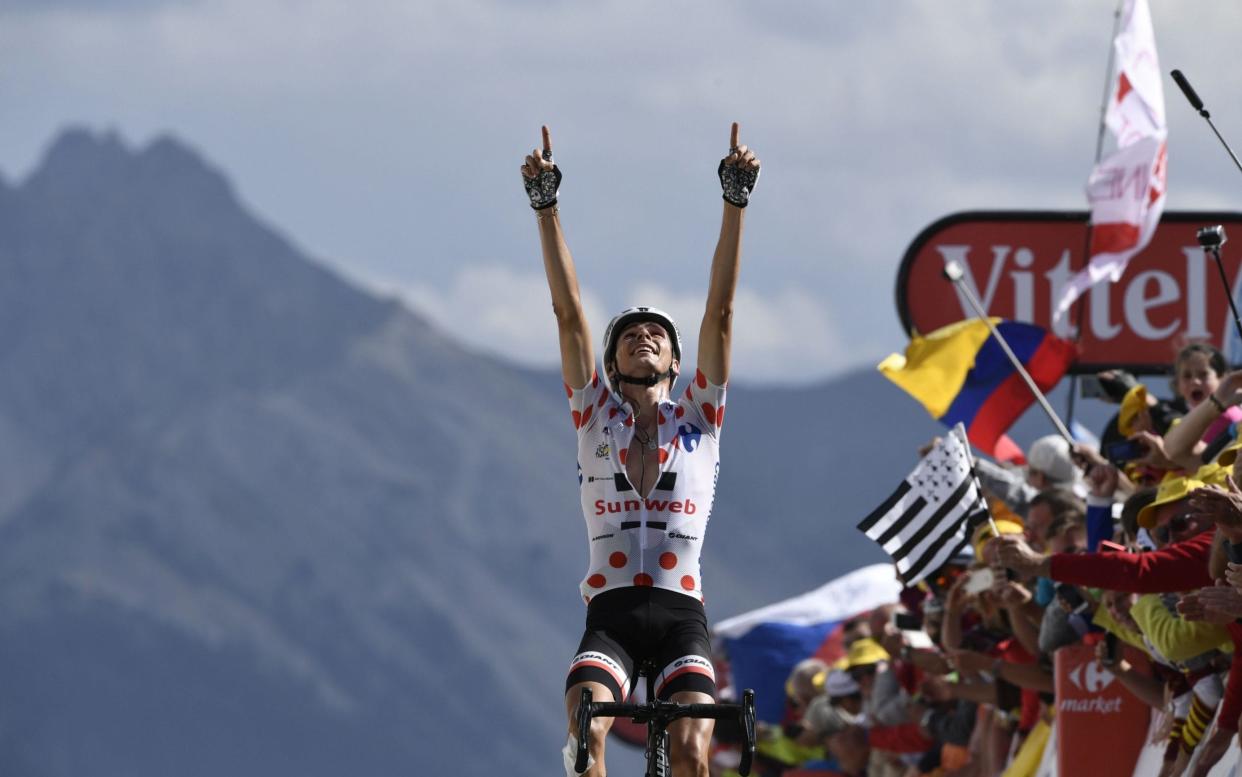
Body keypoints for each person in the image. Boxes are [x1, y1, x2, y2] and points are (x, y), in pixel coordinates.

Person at [525, 123, 760, 777]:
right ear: (612, 359)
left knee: (691, 752)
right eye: (630, 334)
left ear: (677, 359)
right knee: (584, 736)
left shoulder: (701, 415)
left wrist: (733, 204)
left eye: (656, 332)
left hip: (683, 612)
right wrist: (547, 208)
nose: (644, 336)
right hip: (613, 614)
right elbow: (568, 313)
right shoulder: (593, 412)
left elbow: (721, 311)